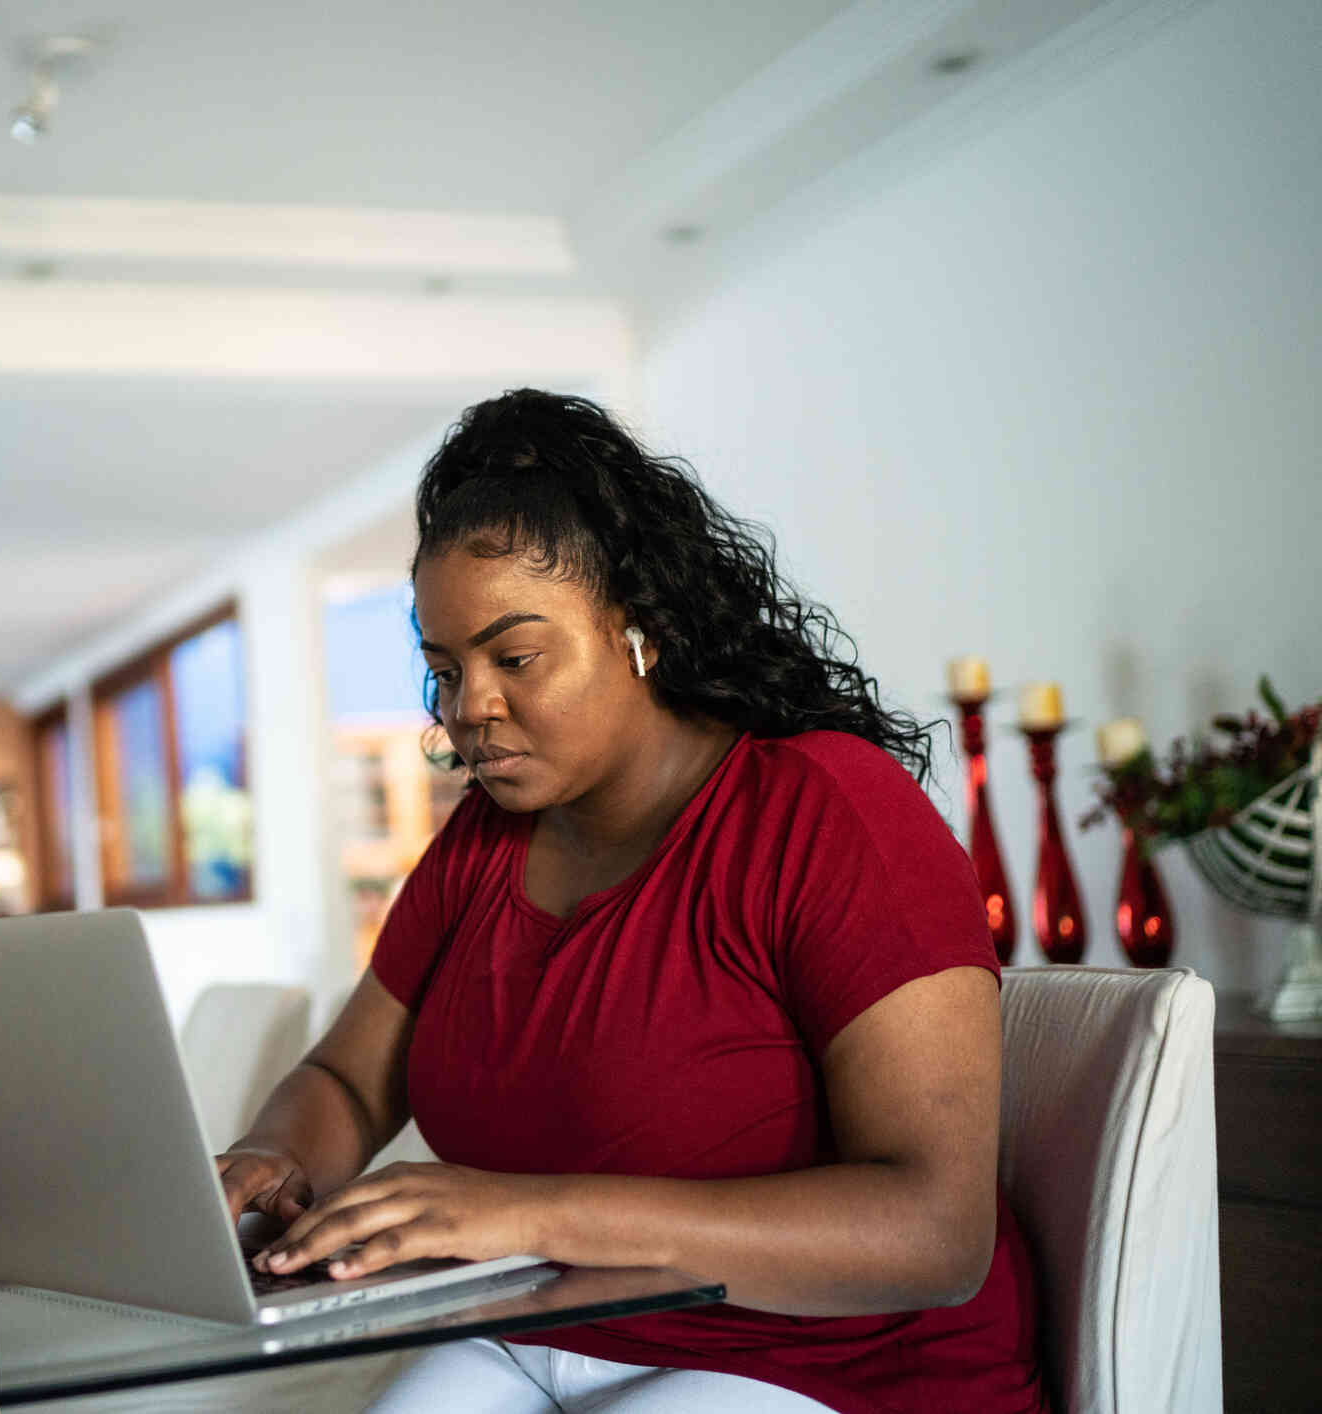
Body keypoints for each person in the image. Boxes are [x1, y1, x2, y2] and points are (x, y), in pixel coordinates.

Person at [217, 391, 1046, 1414]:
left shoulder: (824, 811)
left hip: (831, 1366)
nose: (468, 705)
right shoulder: (479, 843)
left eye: (512, 656)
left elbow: (933, 1231)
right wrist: (272, 1155)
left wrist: (531, 1214)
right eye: (443, 669)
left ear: (639, 629)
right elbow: (346, 1078)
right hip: (542, 1330)